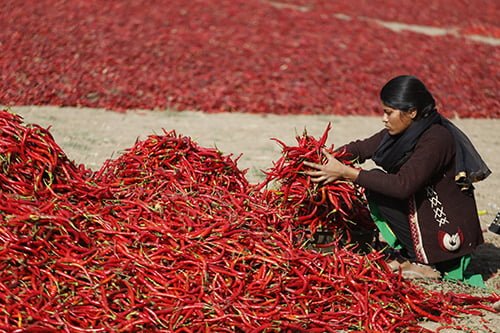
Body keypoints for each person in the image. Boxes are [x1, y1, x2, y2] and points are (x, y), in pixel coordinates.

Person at [305, 75, 491, 285]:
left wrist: (345, 172)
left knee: (376, 181)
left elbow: (402, 186)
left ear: (412, 112)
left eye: (388, 112)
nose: (384, 118)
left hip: (445, 227)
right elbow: (361, 148)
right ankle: (416, 253)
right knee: (375, 182)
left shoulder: (437, 138)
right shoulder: (404, 132)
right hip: (424, 212)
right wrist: (321, 158)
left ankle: (423, 263)